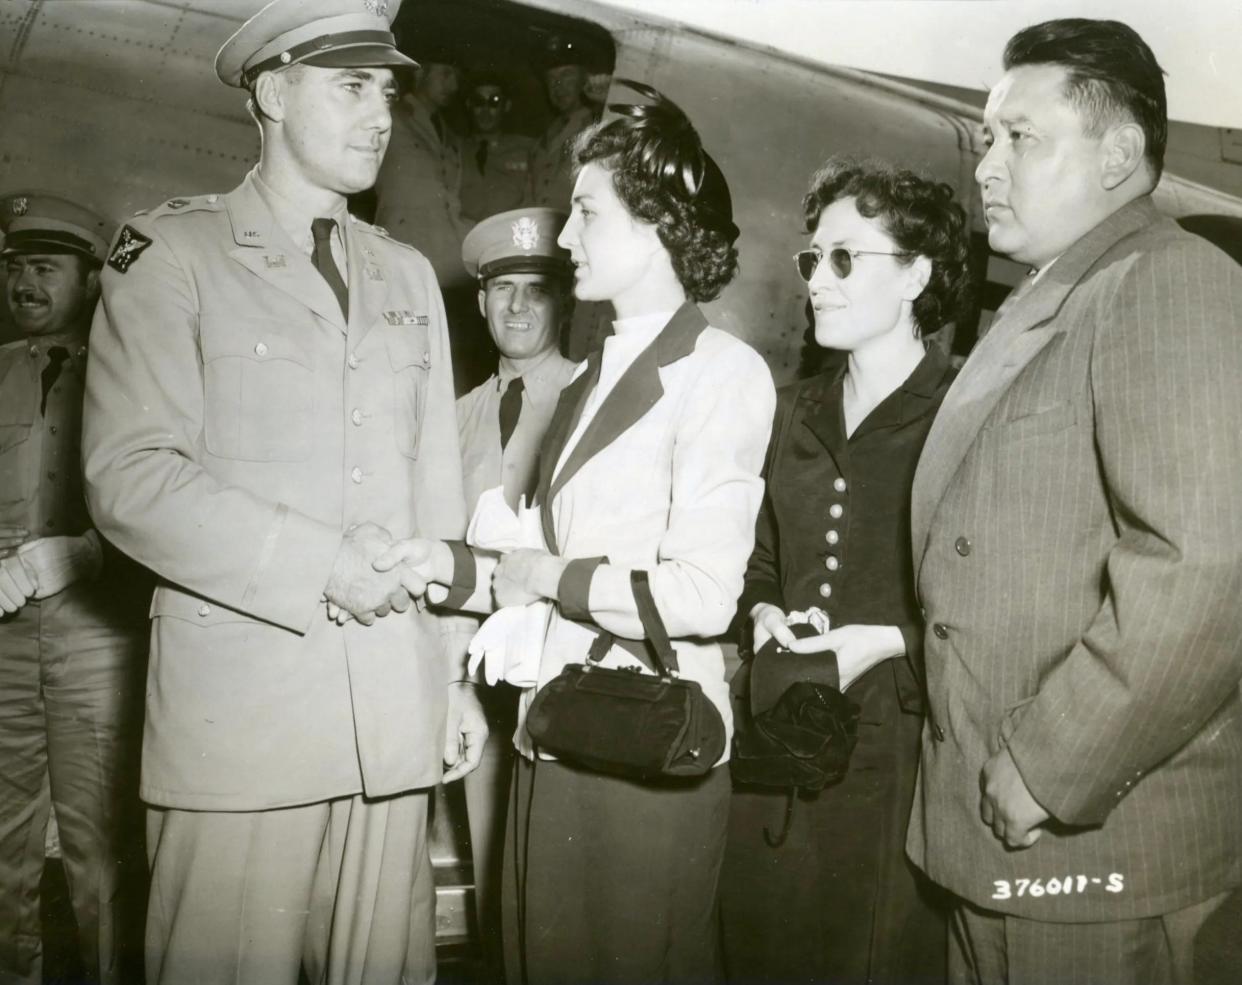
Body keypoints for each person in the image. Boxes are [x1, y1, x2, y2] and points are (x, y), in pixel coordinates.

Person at [79, 2, 487, 983]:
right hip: (241, 731)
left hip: (389, 717)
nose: (381, 111)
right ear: (271, 90)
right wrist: (323, 565)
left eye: (386, 88)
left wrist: (454, 672)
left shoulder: (406, 277)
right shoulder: (171, 255)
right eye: (352, 85)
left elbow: (437, 492)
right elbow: (130, 476)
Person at [377, 80, 776, 983]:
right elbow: (529, 560)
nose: (564, 239)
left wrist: (542, 574)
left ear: (655, 224)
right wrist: (440, 564)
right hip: (557, 740)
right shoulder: (590, 377)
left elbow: (703, 595)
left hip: (643, 756)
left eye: (586, 215)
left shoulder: (722, 373)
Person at [909, 18, 1242, 985]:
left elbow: (1208, 562)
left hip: (1089, 842)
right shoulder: (1053, 294)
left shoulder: (1171, 281)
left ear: (1120, 154)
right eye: (987, 137)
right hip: (1009, 833)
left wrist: (1056, 766)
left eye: (1022, 137)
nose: (987, 166)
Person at [719, 159, 971, 985]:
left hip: (897, 755)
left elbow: (993, 588)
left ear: (919, 274)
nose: (817, 282)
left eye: (845, 258)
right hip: (779, 743)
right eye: (812, 258)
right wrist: (761, 614)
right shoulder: (795, 409)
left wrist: (891, 640)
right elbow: (762, 558)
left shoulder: (964, 412)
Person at [0, 192, 149, 985]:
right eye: (17, 266)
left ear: (91, 280)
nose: (25, 281)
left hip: (98, 635)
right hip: (4, 640)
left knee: (99, 847)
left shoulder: (129, 377)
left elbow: (160, 508)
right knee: (3, 847)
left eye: (46, 267)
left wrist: (86, 556)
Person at [454, 205, 577, 976]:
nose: (519, 307)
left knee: (553, 893)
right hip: (471, 677)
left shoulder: (591, 398)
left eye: (537, 288)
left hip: (559, 673)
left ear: (564, 301)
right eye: (504, 291)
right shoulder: (454, 414)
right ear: (480, 302)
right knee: (488, 879)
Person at [374, 43, 469, 288]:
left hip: (447, 262)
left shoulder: (449, 134)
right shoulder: (389, 116)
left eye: (457, 78)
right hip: (401, 254)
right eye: (446, 74)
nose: (454, 86)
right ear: (420, 73)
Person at [526, 35, 599, 209]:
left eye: (567, 75)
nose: (558, 85)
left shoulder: (598, 126)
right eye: (551, 79)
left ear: (584, 79)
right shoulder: (544, 139)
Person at [459, 74, 535, 223]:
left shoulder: (528, 148)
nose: (486, 110)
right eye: (478, 102)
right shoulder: (455, 150)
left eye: (494, 101)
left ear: (506, 106)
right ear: (469, 105)